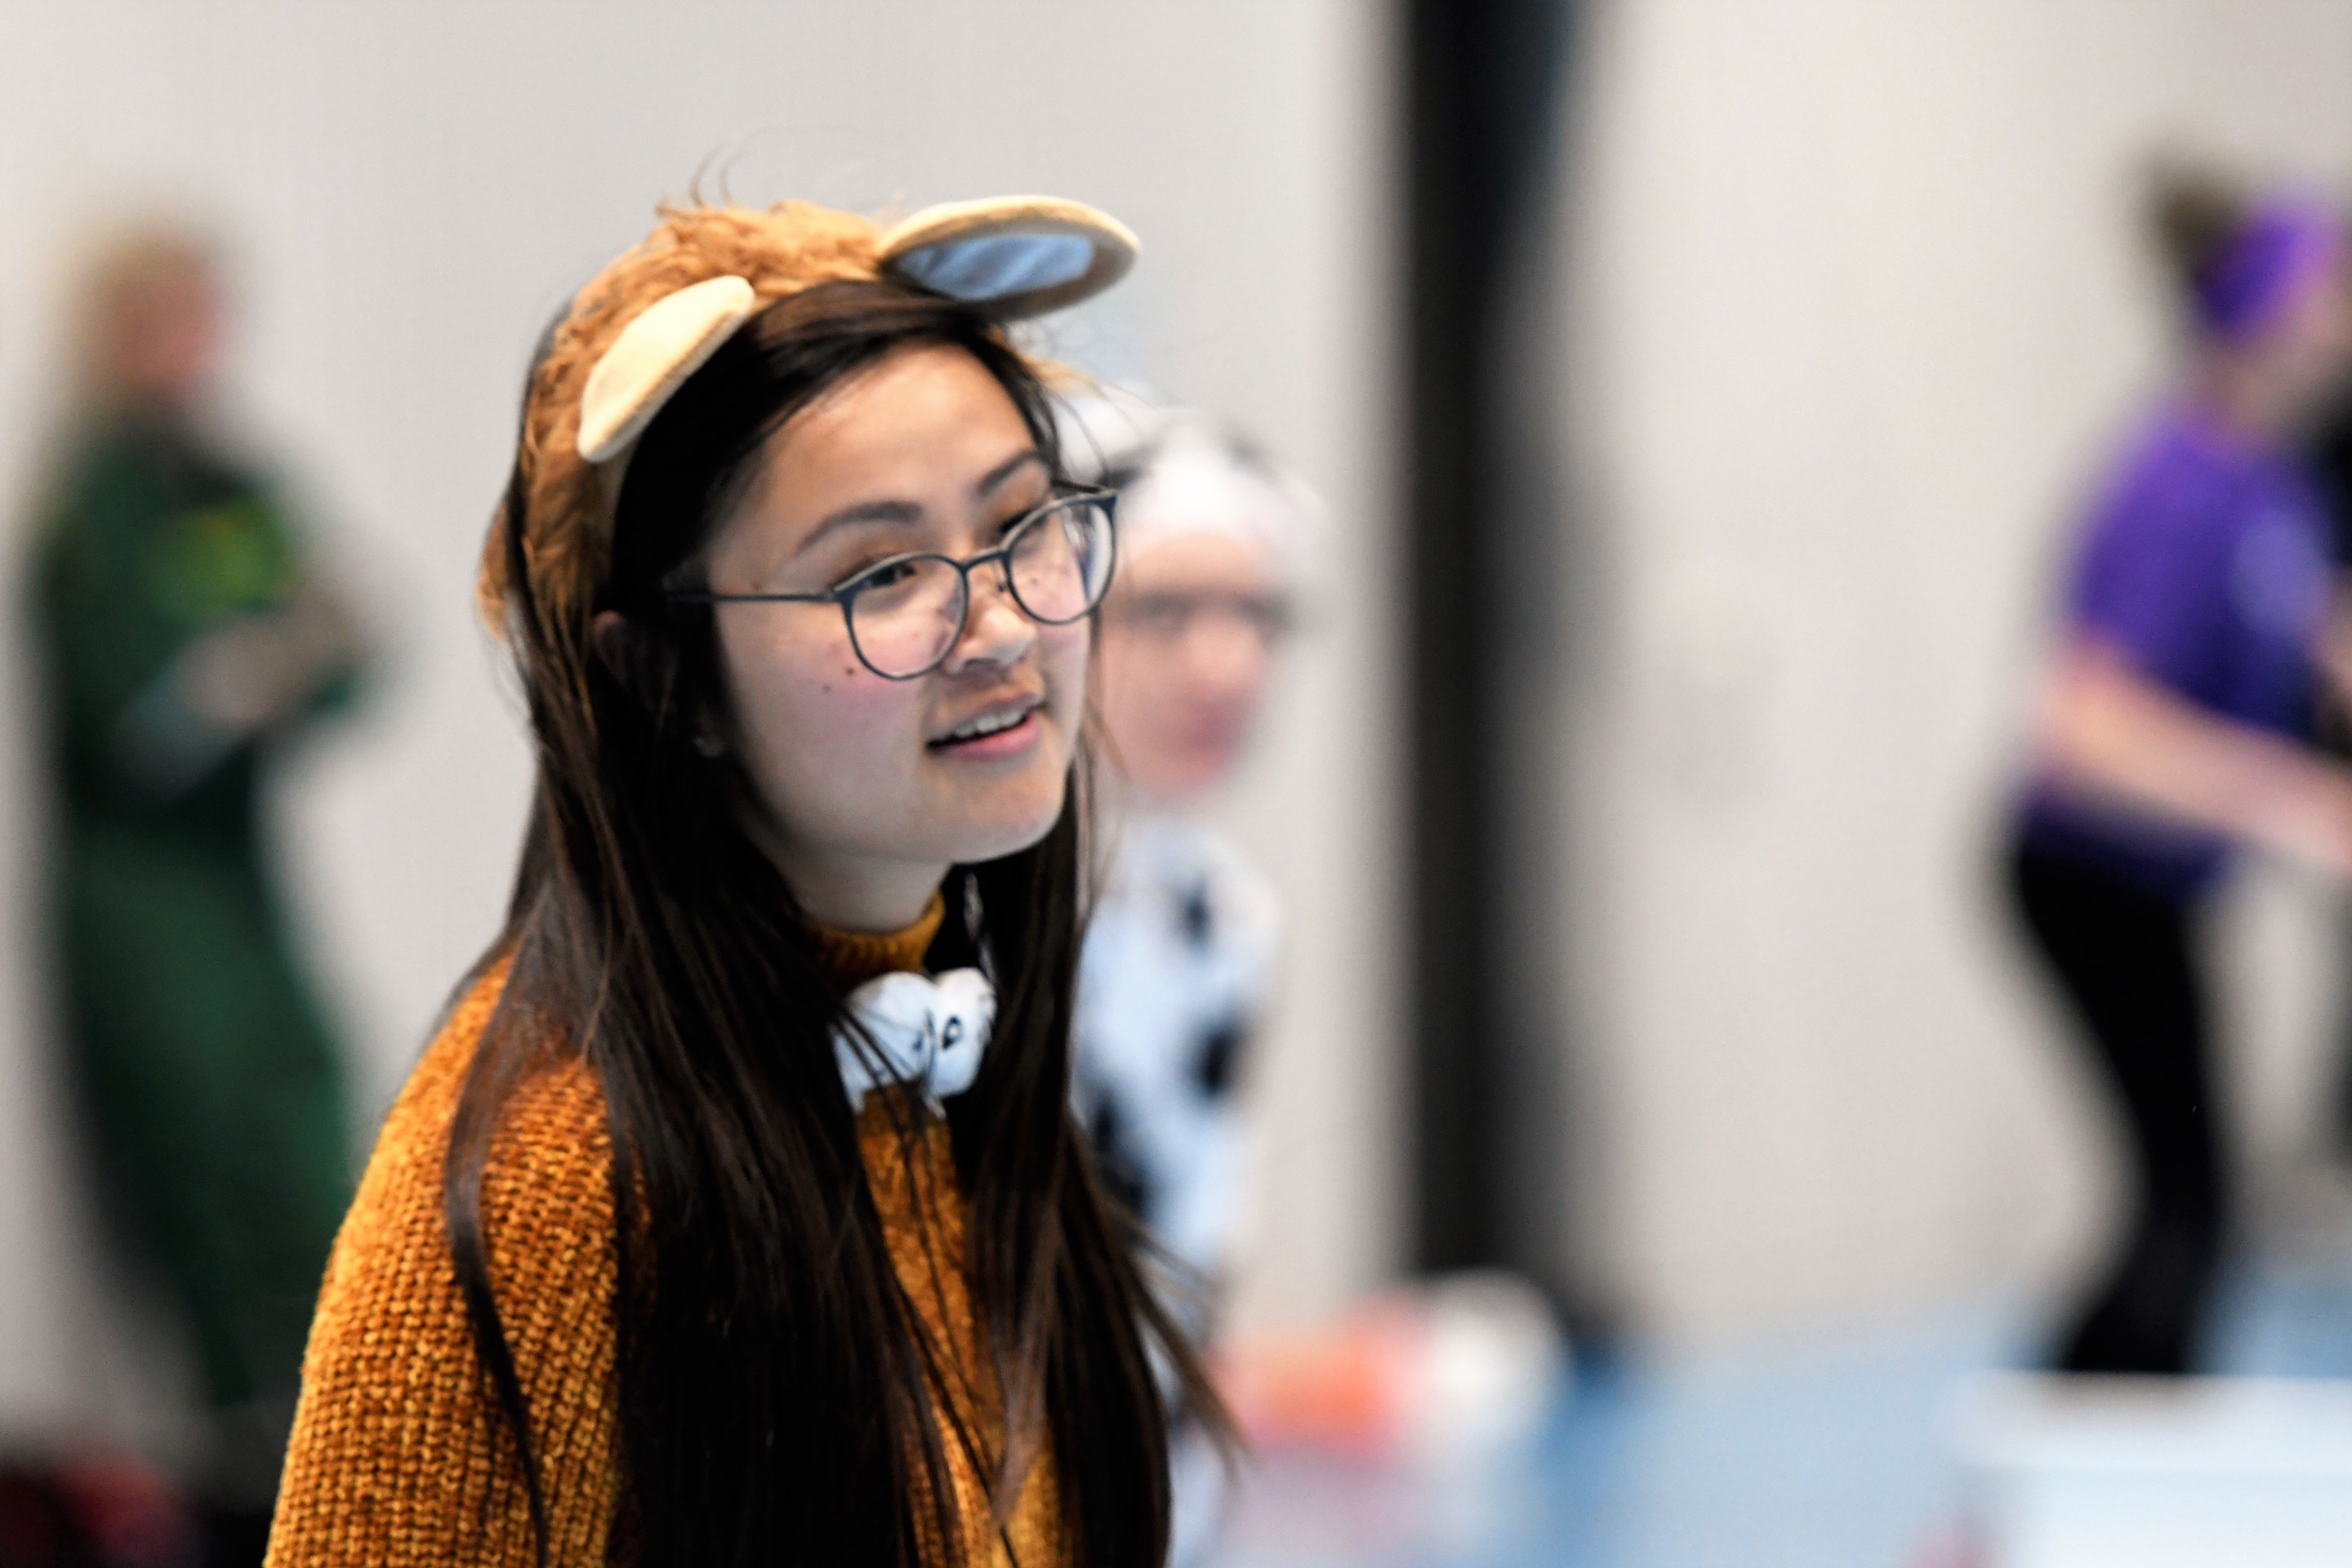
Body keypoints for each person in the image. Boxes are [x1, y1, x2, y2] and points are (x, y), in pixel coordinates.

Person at [265, 197, 1223, 1567]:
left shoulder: (951, 1061)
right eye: (882, 573)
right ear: (667, 680)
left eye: (1023, 523)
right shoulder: (552, 1186)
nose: (1001, 624)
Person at [24, 222, 367, 1561]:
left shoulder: (233, 484)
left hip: (242, 880)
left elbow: (341, 642)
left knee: (306, 1116)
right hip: (144, 894)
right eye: (161, 321)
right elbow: (129, 714)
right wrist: (241, 675)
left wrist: (279, 664)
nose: (189, 349)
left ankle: (336, 1440)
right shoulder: (97, 505)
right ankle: (244, 1478)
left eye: (203, 319)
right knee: (202, 1154)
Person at [2007, 167, 2352, 1375]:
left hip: (2155, 898)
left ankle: (2072, 1434)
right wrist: (2282, 800)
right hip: (2083, 887)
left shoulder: (2276, 488)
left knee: (2190, 1212)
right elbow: (2082, 731)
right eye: (2333, 293)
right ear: (2267, 314)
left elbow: (2318, 643)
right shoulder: (2174, 487)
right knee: (2185, 1213)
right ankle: (2077, 1443)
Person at [1067, 412, 1310, 1565]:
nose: (1228, 667)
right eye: (1163, 613)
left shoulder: (1226, 924)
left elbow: (1189, 1268)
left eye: (1256, 616)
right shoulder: (951, 919)